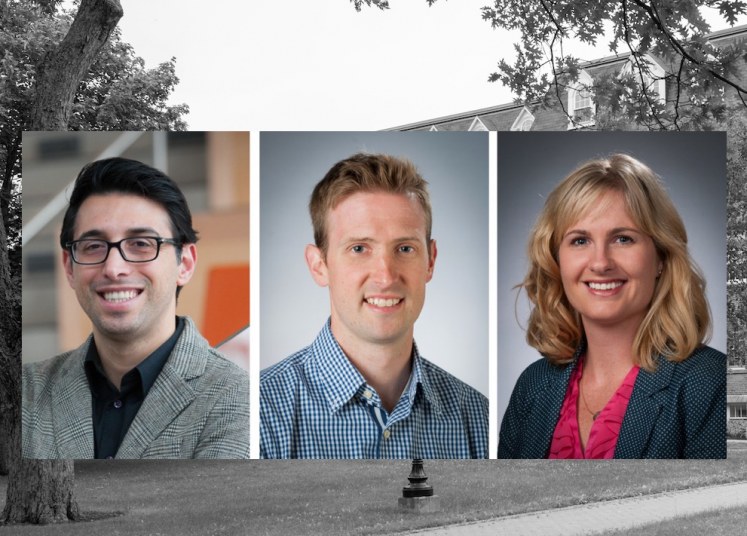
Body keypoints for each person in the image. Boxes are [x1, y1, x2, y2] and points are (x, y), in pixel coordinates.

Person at [260, 152, 488, 459]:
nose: (385, 276)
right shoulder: (261, 414)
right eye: (359, 248)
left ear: (430, 261)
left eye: (404, 248)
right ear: (319, 265)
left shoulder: (478, 418)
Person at [498, 153, 725, 459]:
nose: (601, 263)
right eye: (580, 241)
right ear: (557, 261)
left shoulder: (707, 383)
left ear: (660, 257)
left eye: (623, 239)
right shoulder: (533, 385)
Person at [23, 157, 250, 459]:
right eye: (93, 246)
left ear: (185, 263)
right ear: (69, 267)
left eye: (141, 244)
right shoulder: (23, 393)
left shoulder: (237, 397)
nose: (114, 268)